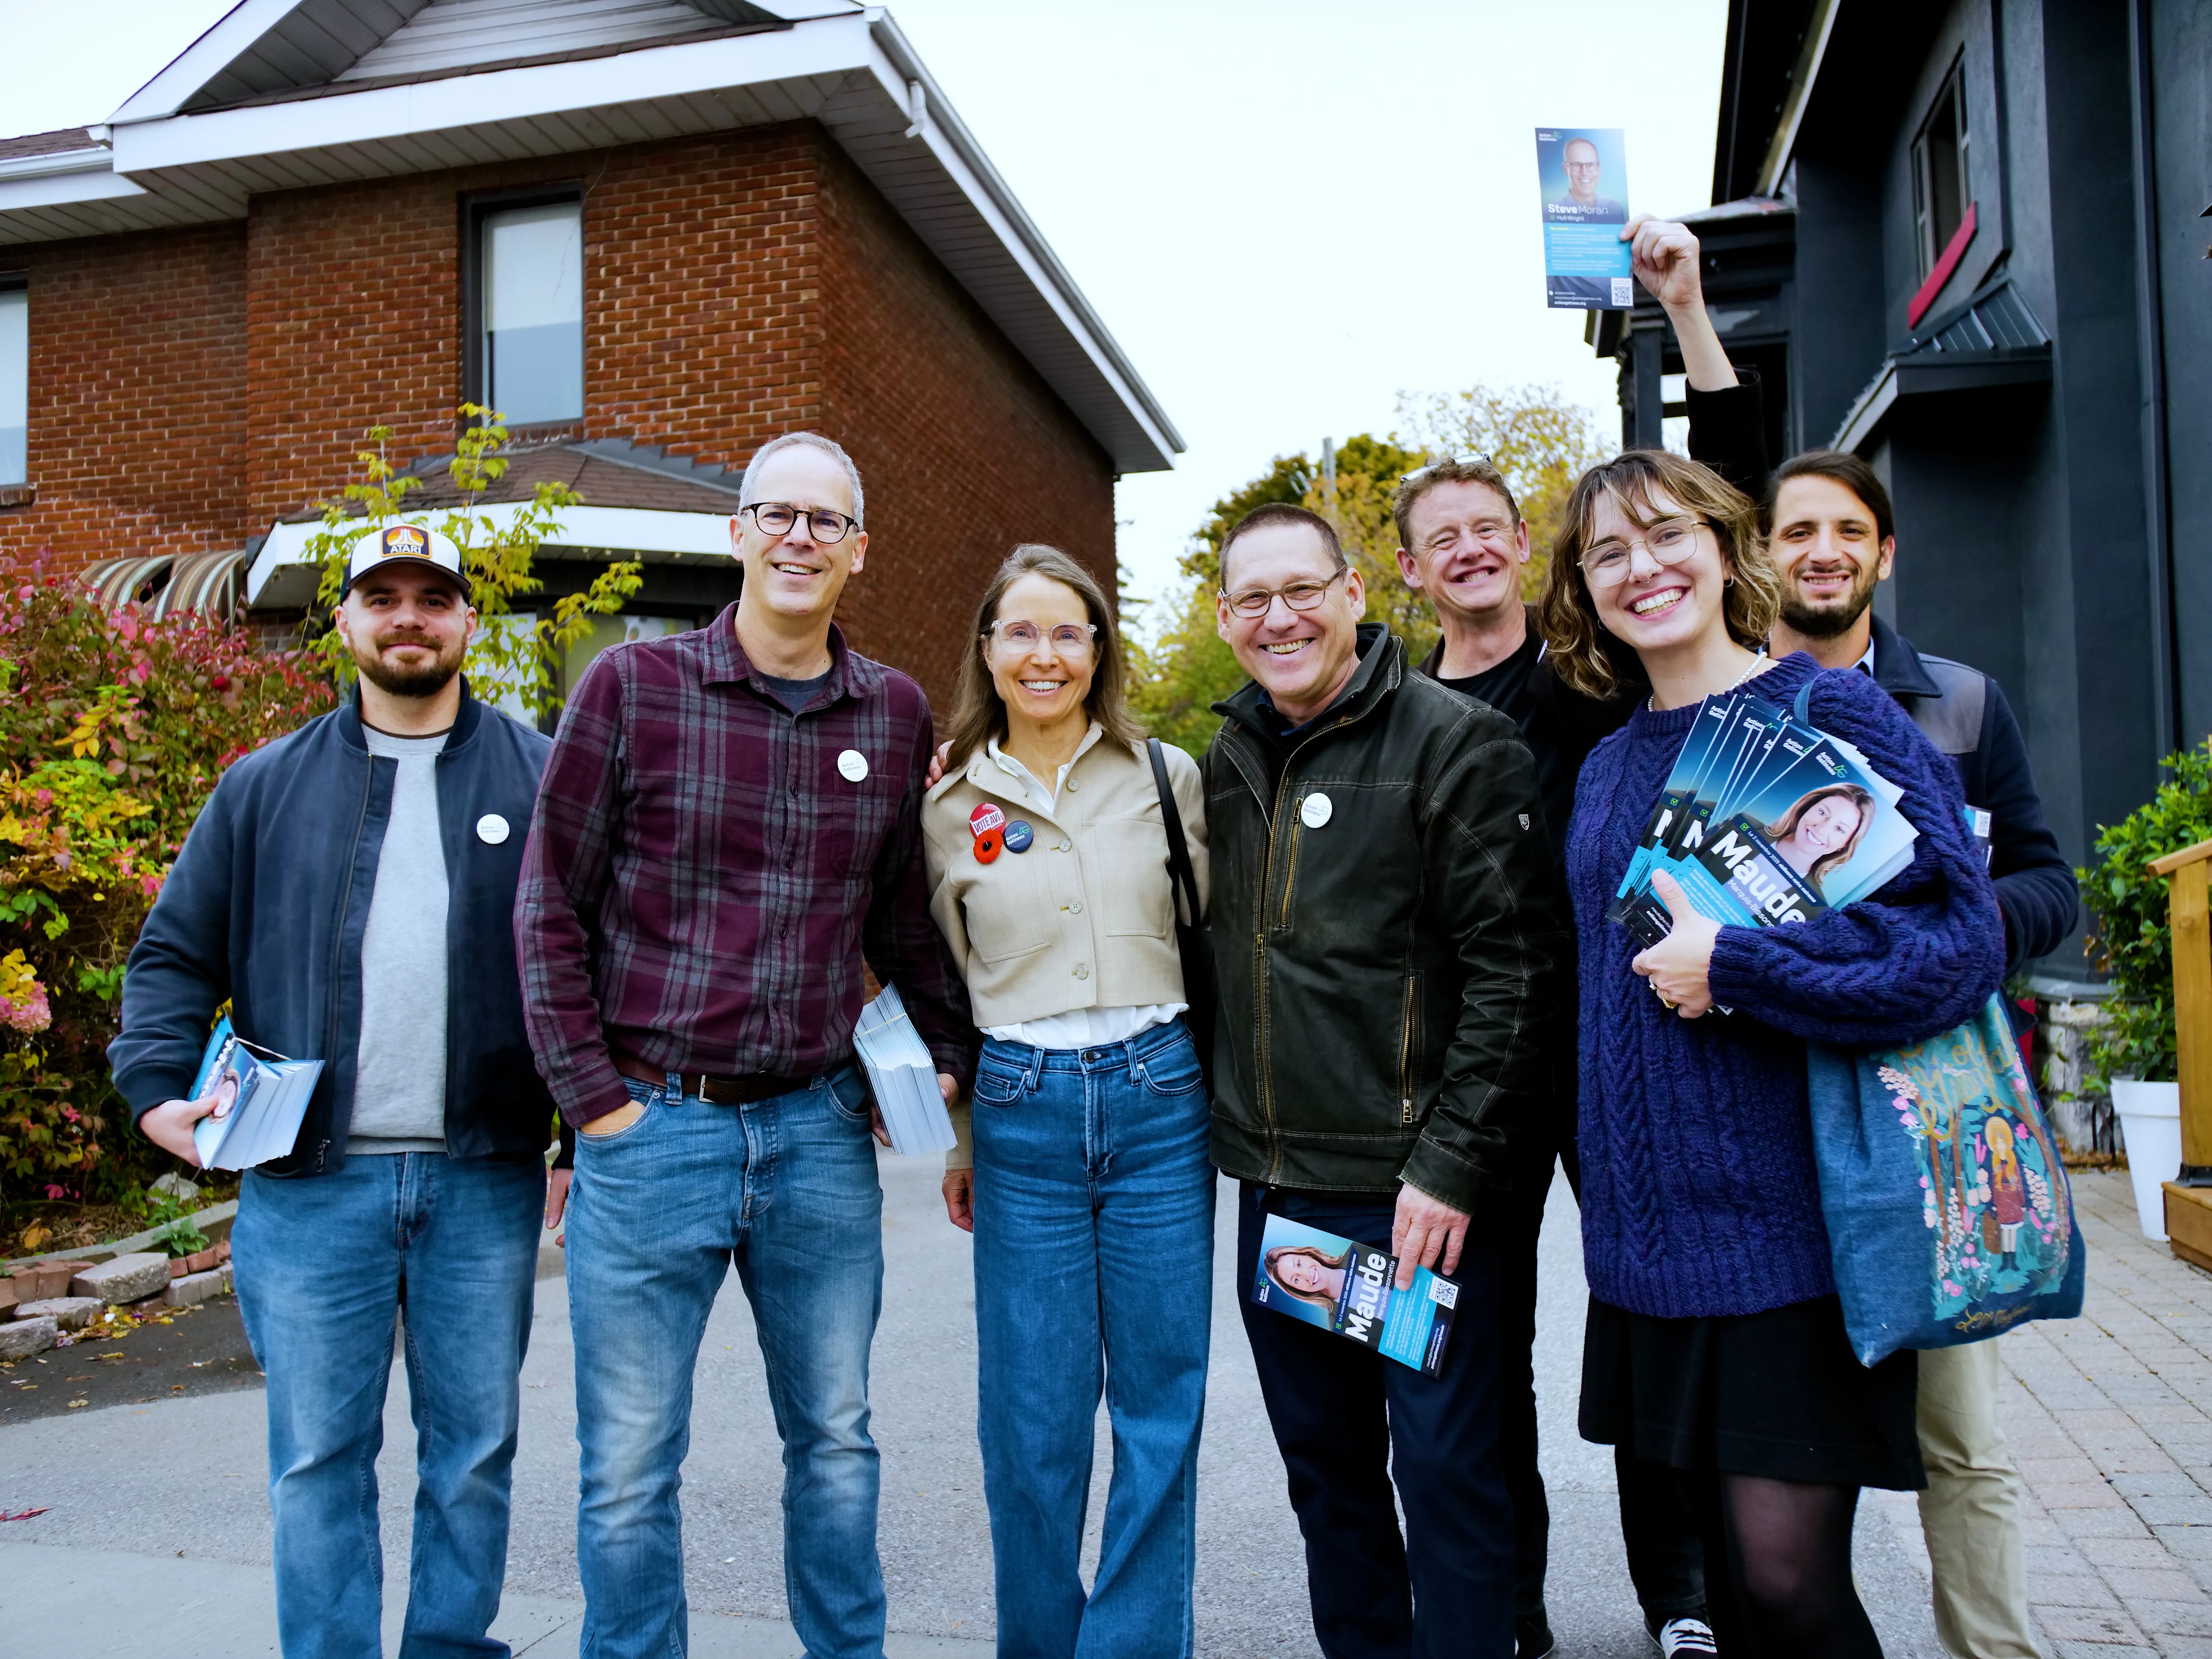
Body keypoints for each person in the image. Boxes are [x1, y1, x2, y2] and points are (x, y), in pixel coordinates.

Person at [513, 430, 976, 1659]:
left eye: (826, 523)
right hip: (651, 1125)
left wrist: (946, 1059)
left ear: (858, 550)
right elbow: (548, 904)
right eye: (776, 514)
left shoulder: (891, 709)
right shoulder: (629, 689)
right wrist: (594, 1106)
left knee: (835, 1439)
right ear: (737, 533)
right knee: (626, 1463)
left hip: (816, 1136)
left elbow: (900, 919)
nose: (798, 539)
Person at [1538, 445, 2005, 1656]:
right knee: (1727, 1604)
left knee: (1790, 1585)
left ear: (1724, 544)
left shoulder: (1824, 709)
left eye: (1666, 534)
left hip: (1792, 1238)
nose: (1642, 568)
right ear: (1584, 591)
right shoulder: (1604, 765)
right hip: (1646, 1250)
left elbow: (1961, 944)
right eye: (1607, 552)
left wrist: (1742, 970)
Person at [1392, 211, 1752, 1658]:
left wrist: (1678, 314)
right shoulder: (1392, 718)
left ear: (1514, 551)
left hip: (1624, 1046)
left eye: (1491, 526)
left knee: (1653, 1315)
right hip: (1471, 1075)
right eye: (1443, 538)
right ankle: (1504, 1608)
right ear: (1411, 572)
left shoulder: (1592, 672)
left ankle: (1683, 1597)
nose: (1472, 549)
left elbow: (1714, 499)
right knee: (1471, 1351)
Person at [111, 522, 564, 1658]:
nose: (407, 615)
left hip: (485, 1182)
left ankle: (452, 1647)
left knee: (472, 1455)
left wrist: (580, 1143)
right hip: (310, 1189)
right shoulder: (263, 790)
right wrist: (158, 1085)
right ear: (346, 619)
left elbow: (595, 958)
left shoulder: (542, 775)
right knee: (318, 1461)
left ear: (468, 620)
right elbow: (173, 956)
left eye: (432, 598)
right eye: (382, 596)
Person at [1205, 500, 1570, 1658]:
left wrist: (1451, 1170)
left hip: (1415, 1202)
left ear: (1354, 593)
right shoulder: (1231, 758)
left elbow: (1517, 973)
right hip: (1281, 1193)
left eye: (1302, 589)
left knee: (1449, 1475)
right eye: (1254, 599)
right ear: (1224, 621)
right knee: (1331, 1481)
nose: (1281, 617)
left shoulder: (1455, 741)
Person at [1757, 445, 2078, 1659]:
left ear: (1883, 554)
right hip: (1773, 1120)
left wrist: (1958, 939)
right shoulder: (1736, 714)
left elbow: (2050, 879)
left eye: (1848, 530)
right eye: (1797, 532)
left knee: (1962, 1442)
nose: (1823, 551)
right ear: (1765, 554)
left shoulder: (1962, 702)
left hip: (1929, 1123)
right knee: (1775, 1451)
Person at [922, 542, 1213, 1659]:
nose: (1046, 654)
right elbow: (944, 985)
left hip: (1159, 1100)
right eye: (1021, 632)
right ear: (988, 653)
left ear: (1100, 649)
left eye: (1069, 631)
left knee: (1159, 1411)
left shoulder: (1166, 777)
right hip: (1021, 1109)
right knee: (1034, 1428)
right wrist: (959, 1141)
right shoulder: (947, 804)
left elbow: (1220, 938)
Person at [1766, 784, 1873, 888]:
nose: (1822, 829)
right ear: (1806, 807)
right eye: (1823, 813)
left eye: (1839, 829)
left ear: (1846, 844)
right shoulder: (1750, 825)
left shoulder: (1814, 905)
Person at [1548, 137, 1629, 223]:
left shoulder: (1615, 209)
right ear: (1566, 169)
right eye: (1577, 165)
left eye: (1591, 165)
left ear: (1599, 169)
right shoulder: (1551, 214)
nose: (1585, 173)